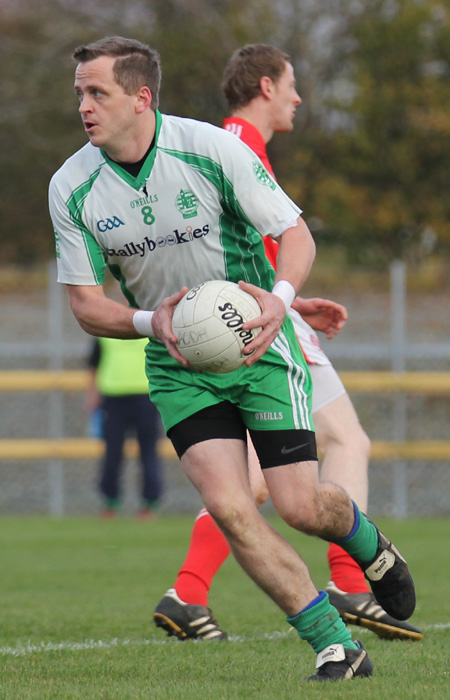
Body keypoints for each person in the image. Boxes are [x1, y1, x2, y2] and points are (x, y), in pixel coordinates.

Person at [48, 36, 416, 682]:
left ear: (141, 98)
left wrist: (280, 302)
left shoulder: (212, 150)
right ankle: (334, 644)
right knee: (227, 504)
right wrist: (147, 321)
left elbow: (293, 234)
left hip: (260, 347)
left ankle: (366, 542)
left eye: (97, 92)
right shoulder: (72, 188)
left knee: (300, 505)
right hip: (177, 365)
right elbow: (83, 303)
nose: (84, 105)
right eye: (79, 92)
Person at [153, 44, 423, 643]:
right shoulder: (236, 142)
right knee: (346, 440)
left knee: (249, 483)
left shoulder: (229, 141)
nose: (299, 97)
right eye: (291, 84)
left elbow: (234, 249)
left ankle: (188, 592)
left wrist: (294, 300)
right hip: (260, 323)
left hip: (258, 313)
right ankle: (351, 580)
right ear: (267, 87)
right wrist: (285, 308)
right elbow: (234, 251)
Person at [85, 335, 163, 518]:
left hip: (146, 396)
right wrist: (92, 395)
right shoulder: (105, 334)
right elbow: (94, 366)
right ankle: (110, 501)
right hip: (113, 397)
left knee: (148, 452)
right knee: (112, 452)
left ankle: (149, 503)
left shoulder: (150, 330)